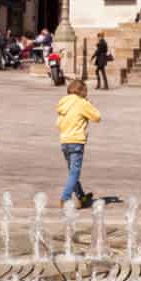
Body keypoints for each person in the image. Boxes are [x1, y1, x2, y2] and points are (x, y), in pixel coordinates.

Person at [55, 78, 101, 210]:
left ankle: (81, 197)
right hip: (76, 141)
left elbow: (58, 123)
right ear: (82, 91)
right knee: (74, 173)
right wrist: (89, 105)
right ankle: (65, 198)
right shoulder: (82, 103)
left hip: (64, 141)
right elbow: (97, 117)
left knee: (72, 172)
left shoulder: (63, 102)